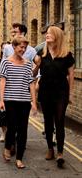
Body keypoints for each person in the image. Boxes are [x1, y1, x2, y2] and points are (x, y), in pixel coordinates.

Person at [34, 26, 74, 168]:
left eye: (50, 33)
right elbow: (33, 74)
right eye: (46, 33)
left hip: (61, 91)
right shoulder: (41, 53)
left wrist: (70, 94)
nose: (47, 35)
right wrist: (37, 66)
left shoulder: (66, 54)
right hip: (45, 90)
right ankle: (50, 148)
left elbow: (71, 76)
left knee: (60, 121)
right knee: (48, 122)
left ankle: (60, 153)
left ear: (57, 36)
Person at [0, 35, 37, 169]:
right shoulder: (6, 62)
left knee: (23, 130)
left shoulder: (27, 63)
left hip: (24, 101)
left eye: (25, 47)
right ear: (14, 47)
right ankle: (7, 147)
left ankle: (19, 158)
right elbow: (3, 81)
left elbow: (31, 83)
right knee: (12, 126)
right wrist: (1, 100)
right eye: (21, 47)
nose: (23, 49)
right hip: (10, 100)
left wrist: (34, 102)